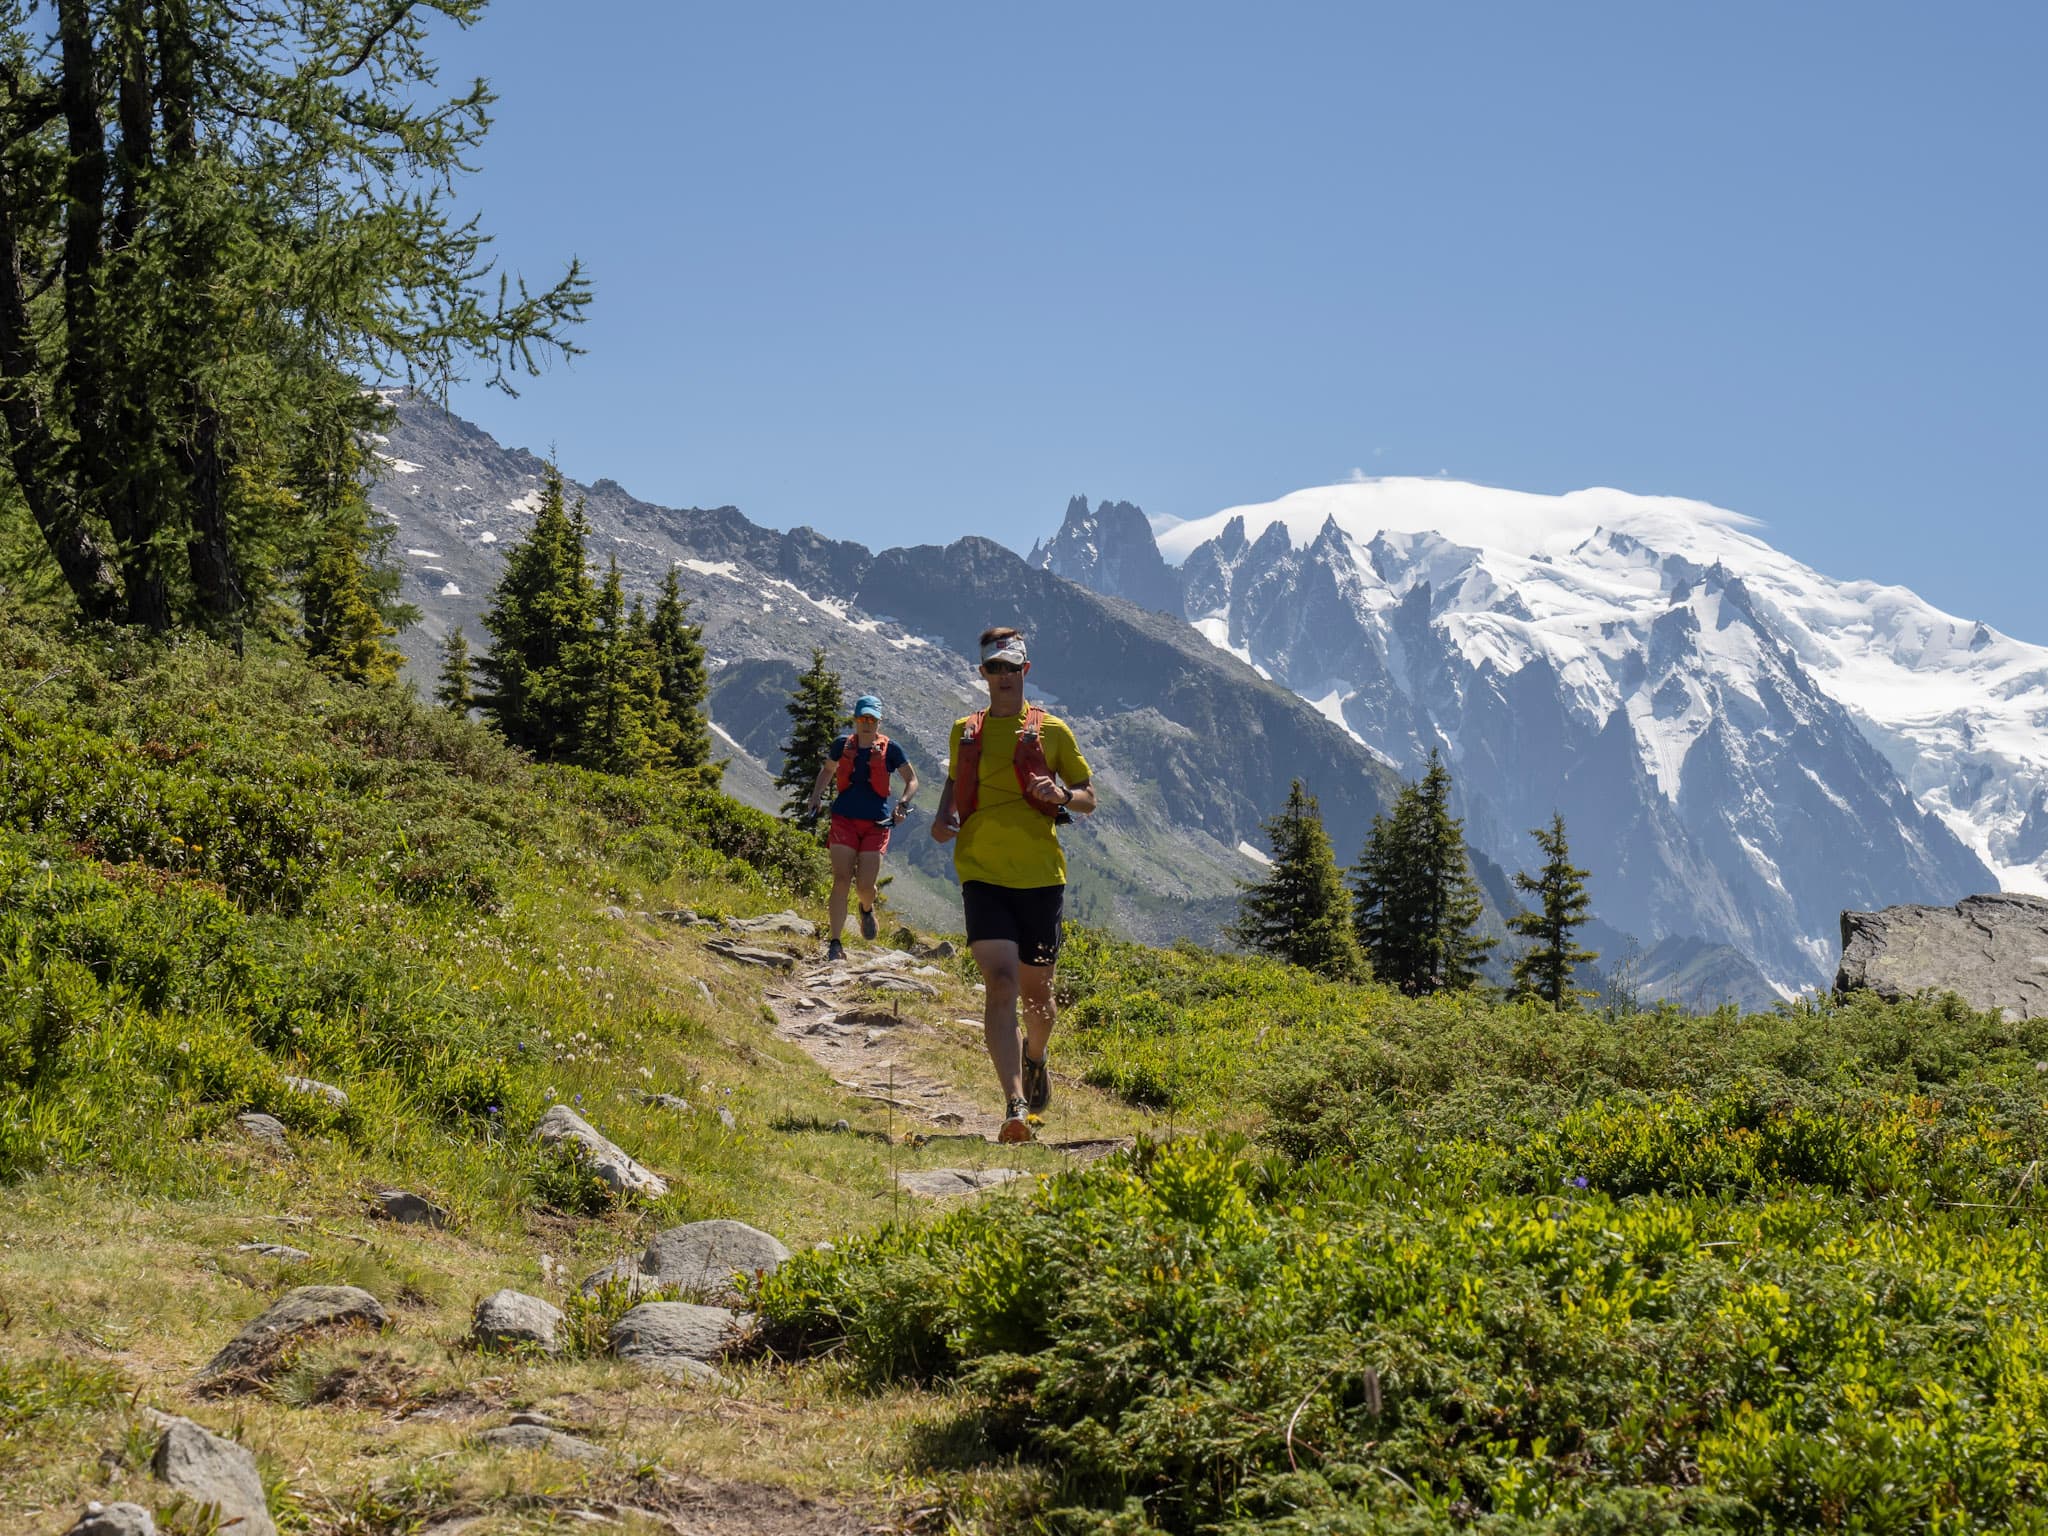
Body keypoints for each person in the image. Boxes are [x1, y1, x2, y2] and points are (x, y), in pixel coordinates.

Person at [931, 627, 1096, 1143]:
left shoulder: (1054, 732)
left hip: (1041, 878)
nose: (1002, 677)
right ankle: (1015, 1105)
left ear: (1026, 670)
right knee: (1000, 986)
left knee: (1038, 998)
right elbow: (954, 781)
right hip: (981, 872)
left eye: (1010, 668)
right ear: (982, 673)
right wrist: (941, 819)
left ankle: (1036, 1055)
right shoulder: (965, 731)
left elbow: (1089, 796)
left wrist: (1063, 794)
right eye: (993, 668)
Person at [806, 694, 917, 961]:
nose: (867, 723)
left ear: (879, 721)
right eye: (863, 718)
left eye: (872, 719)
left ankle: (866, 908)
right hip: (844, 818)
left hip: (877, 824)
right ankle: (835, 943)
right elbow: (828, 771)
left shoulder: (891, 749)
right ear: (856, 719)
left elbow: (912, 780)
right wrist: (816, 795)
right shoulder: (841, 745)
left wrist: (902, 803)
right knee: (841, 879)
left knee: (865, 885)